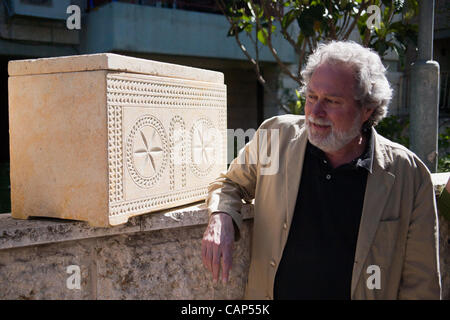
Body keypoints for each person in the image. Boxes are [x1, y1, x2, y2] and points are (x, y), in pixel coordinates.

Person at [201, 41, 441, 300]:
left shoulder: (410, 175)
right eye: (311, 97)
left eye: (332, 101)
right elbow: (230, 183)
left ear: (367, 109)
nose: (315, 112)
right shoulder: (275, 137)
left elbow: (421, 284)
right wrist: (221, 215)